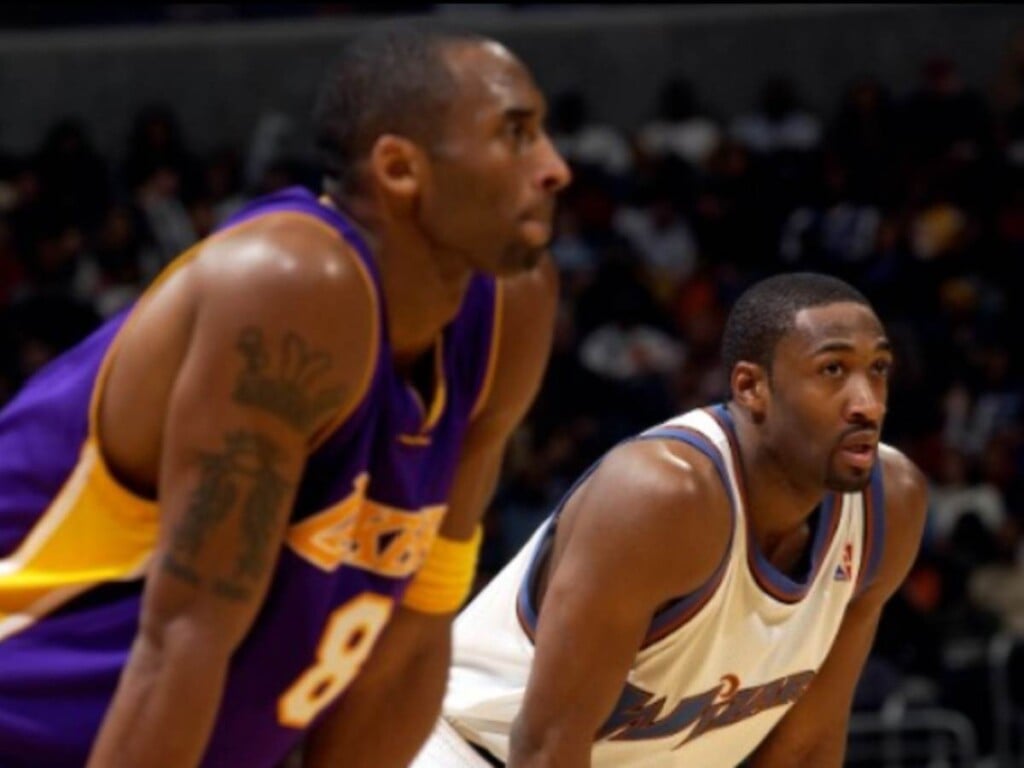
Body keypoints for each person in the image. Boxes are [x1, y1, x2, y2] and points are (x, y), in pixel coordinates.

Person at [0, 22, 570, 768]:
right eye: (516, 135)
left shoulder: (507, 312)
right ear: (400, 167)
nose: (555, 167)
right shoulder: (292, 285)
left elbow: (412, 629)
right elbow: (181, 642)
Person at [413, 271, 928, 767]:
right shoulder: (664, 498)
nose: (868, 403)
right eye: (833, 370)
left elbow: (806, 749)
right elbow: (547, 745)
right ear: (751, 387)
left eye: (878, 369)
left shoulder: (890, 505)